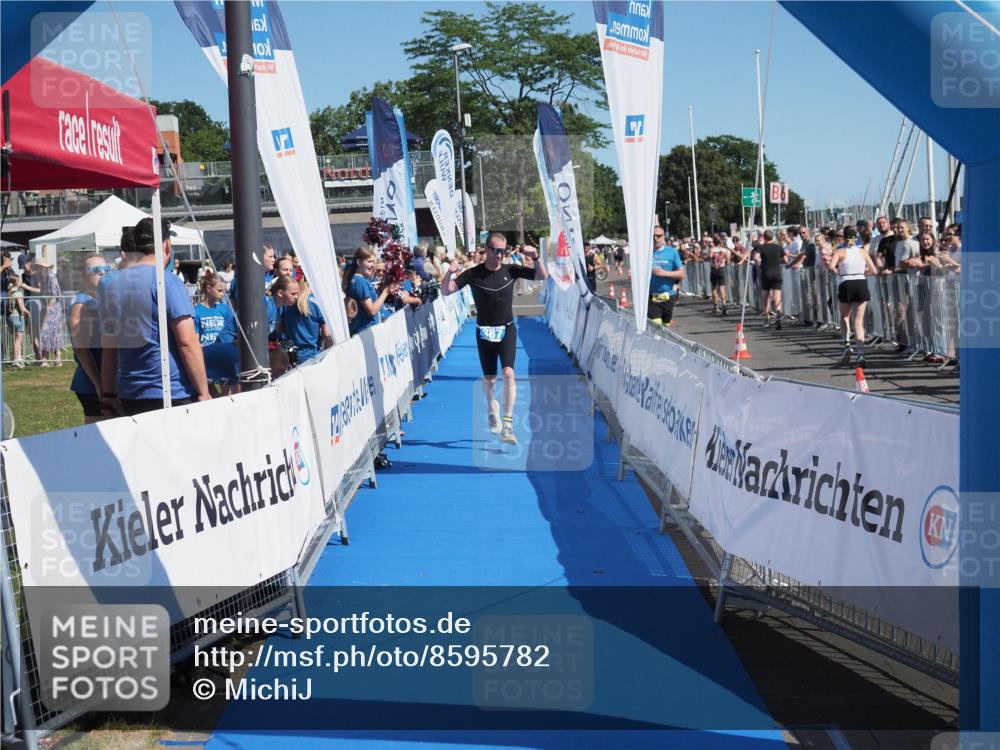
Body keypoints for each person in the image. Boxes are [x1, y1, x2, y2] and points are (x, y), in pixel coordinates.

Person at [442, 232, 547, 445]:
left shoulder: (511, 270)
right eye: (496, 251)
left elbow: (542, 276)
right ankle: (492, 406)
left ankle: (507, 424)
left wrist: (536, 258)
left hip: (507, 329)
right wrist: (448, 274)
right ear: (487, 250)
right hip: (484, 331)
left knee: (508, 373)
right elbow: (446, 290)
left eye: (503, 251)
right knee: (490, 379)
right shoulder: (474, 274)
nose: (499, 255)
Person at [100, 217, 211, 416]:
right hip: (171, 391)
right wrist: (203, 392)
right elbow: (187, 341)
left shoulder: (113, 285)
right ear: (167, 246)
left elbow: (109, 347)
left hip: (131, 393)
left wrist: (108, 394)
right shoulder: (168, 282)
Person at [827, 226, 878, 366]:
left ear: (844, 238)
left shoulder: (840, 251)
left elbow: (831, 266)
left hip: (846, 282)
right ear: (856, 239)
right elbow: (873, 270)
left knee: (844, 316)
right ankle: (861, 354)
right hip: (860, 282)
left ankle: (847, 345)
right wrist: (862, 272)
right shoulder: (862, 251)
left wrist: (839, 272)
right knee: (858, 321)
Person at [68, 255, 108, 422]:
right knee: (98, 437)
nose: (102, 273)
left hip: (106, 378)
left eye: (106, 269)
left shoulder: (101, 299)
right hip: (92, 382)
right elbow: (82, 350)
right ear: (83, 275)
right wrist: (99, 384)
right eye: (95, 270)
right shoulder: (81, 305)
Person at [194, 273, 239, 396]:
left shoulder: (224, 309)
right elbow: (195, 339)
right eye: (219, 290)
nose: (222, 293)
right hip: (208, 358)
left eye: (224, 290)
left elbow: (231, 331)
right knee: (213, 395)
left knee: (229, 394)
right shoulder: (196, 311)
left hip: (224, 355)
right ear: (208, 289)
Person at [282, 276, 331, 365]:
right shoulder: (316, 302)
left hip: (290, 353)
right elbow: (327, 333)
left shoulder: (288, 301)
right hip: (311, 355)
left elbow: (280, 327)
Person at [341, 247, 390, 336]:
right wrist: (386, 291)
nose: (372, 265)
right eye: (369, 261)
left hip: (363, 330)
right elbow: (372, 310)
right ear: (359, 262)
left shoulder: (359, 280)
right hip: (364, 331)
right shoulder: (360, 282)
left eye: (374, 262)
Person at [649, 228, 685, 326]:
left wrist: (664, 273)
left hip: (668, 295)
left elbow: (681, 274)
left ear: (664, 237)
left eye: (659, 236)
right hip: (651, 296)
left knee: (665, 325)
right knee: (655, 324)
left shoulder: (672, 252)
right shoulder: (646, 252)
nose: (655, 238)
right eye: (653, 236)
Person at [753, 229, 787, 329]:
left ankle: (767, 319)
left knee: (765, 297)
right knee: (777, 296)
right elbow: (785, 260)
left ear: (764, 237)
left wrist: (758, 266)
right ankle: (778, 316)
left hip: (766, 273)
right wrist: (777, 260)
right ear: (772, 237)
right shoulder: (778, 247)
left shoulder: (761, 247)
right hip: (776, 272)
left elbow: (755, 257)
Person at [35, 258, 64, 366]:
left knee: (51, 332)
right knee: (48, 333)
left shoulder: (51, 277)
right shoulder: (44, 278)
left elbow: (54, 295)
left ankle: (56, 358)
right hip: (47, 307)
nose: (37, 268)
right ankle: (47, 358)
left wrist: (47, 309)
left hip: (54, 308)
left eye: (39, 266)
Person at [5, 273, 27, 368]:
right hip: (17, 317)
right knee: (18, 340)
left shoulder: (9, 292)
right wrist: (28, 312)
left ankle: (18, 357)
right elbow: (22, 308)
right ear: (17, 282)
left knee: (15, 339)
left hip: (10, 317)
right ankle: (16, 360)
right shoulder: (18, 293)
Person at [708, 237, 730, 315]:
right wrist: (723, 260)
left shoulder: (712, 249)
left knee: (714, 287)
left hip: (714, 269)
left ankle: (716, 306)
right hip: (721, 269)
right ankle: (724, 304)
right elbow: (728, 260)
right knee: (722, 287)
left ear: (714, 242)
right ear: (720, 242)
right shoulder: (725, 250)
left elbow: (710, 257)